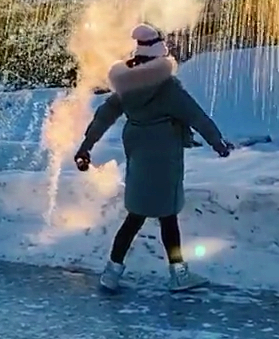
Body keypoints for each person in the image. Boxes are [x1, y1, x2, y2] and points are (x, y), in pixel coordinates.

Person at [74, 23, 233, 293]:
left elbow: (103, 117)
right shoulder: (167, 88)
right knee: (168, 217)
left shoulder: (126, 87)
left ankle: (111, 272)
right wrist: (217, 142)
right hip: (164, 158)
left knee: (135, 215)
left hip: (138, 153)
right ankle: (179, 274)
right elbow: (195, 115)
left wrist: (85, 147)